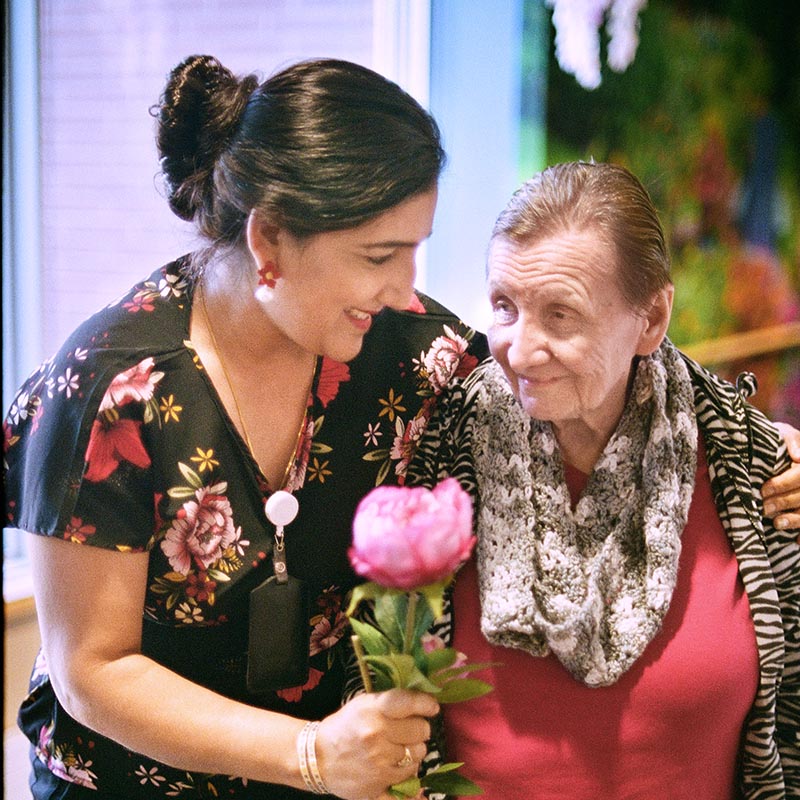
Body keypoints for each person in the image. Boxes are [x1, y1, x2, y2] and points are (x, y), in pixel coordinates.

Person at [2, 55, 489, 799]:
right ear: (269, 242)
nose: (402, 287)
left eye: (414, 250)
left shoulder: (419, 359)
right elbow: (92, 671)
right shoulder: (113, 387)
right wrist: (311, 754)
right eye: (378, 256)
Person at [410, 162, 800, 799]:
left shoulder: (743, 461)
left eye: (561, 315)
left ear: (651, 318)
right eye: (504, 307)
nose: (519, 349)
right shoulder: (438, 447)